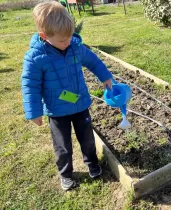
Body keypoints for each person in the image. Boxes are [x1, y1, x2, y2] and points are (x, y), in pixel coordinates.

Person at [21, 1, 113, 191]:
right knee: (62, 145)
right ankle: (66, 174)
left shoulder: (75, 47)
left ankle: (92, 163)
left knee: (87, 138)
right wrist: (34, 112)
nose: (67, 42)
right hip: (57, 110)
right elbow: (30, 85)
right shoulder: (36, 57)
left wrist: (105, 77)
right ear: (44, 36)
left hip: (80, 105)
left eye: (70, 37)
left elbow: (93, 61)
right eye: (62, 40)